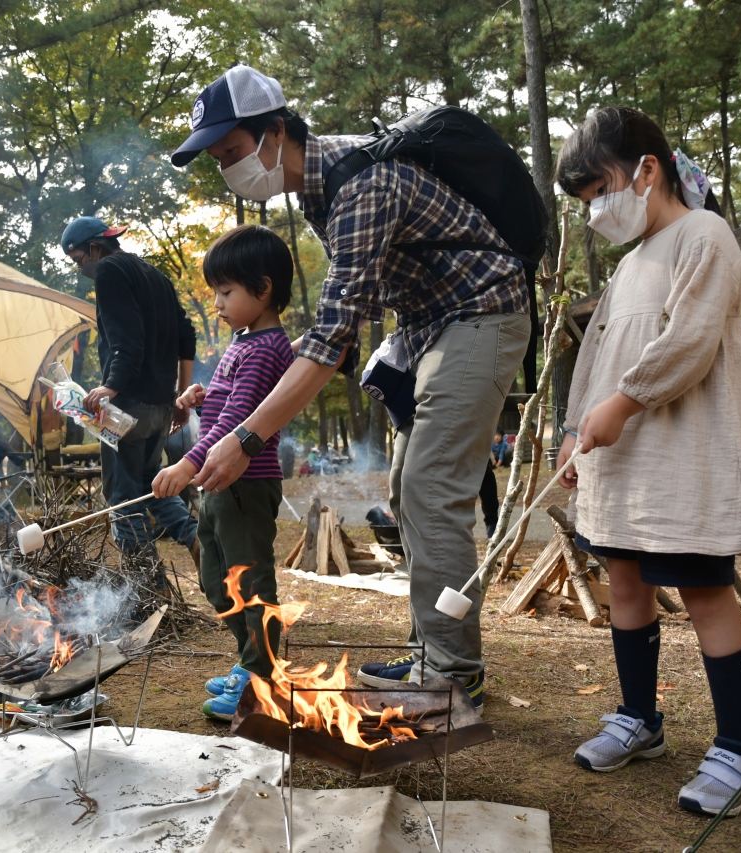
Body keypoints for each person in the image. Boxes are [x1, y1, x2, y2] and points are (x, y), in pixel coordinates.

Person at [172, 65, 531, 713]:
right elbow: (356, 303)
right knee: (406, 488)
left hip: (480, 311)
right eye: (220, 160)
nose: (230, 170)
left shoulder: (357, 185)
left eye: (233, 153)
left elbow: (330, 338)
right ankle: (432, 653)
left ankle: (452, 678)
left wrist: (245, 436)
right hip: (428, 326)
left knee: (430, 485)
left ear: (276, 132)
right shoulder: (315, 189)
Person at [554, 106, 741, 817]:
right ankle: (638, 717)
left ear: (647, 170)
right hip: (621, 463)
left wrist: (625, 399)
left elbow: (692, 339)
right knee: (623, 582)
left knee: (706, 592)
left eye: (599, 192)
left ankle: (738, 748)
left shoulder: (704, 236)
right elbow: (594, 358)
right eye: (585, 203)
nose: (596, 211)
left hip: (683, 456)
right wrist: (573, 427)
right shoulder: (626, 266)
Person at [150, 224, 296, 721]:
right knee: (216, 578)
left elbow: (241, 420)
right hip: (219, 483)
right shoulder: (245, 340)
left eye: (226, 291)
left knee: (248, 580)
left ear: (264, 286)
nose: (216, 302)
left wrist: (188, 461)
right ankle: (248, 659)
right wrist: (202, 396)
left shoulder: (265, 347)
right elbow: (230, 399)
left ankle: (262, 675)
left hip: (245, 485)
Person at [59, 216, 199, 558]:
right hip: (160, 408)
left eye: (79, 259)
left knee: (122, 498)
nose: (81, 268)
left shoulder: (110, 271)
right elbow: (186, 335)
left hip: (127, 408)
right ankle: (198, 540)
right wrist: (179, 396)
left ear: (95, 247)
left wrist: (111, 387)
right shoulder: (156, 276)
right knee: (153, 488)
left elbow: (127, 342)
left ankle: (143, 584)